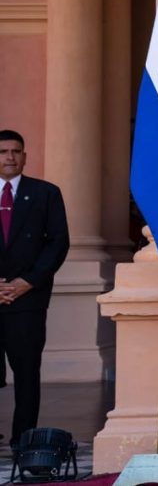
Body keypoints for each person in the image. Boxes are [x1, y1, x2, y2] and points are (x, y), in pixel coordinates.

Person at [0, 129, 69, 443]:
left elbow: (58, 243)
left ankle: (23, 441)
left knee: (27, 373)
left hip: (28, 299)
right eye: (3, 152)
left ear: (25, 157)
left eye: (16, 151)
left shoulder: (46, 193)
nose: (10, 157)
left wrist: (28, 281)